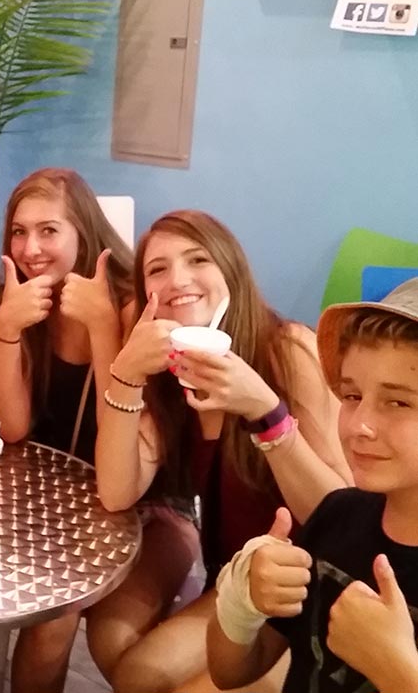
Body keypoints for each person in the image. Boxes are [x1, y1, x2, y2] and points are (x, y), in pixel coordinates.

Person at [93, 209, 351, 693]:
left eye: (198, 259)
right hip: (239, 581)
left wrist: (265, 410)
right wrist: (125, 374)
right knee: (134, 675)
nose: (178, 279)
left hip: (312, 588)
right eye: (157, 269)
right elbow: (115, 491)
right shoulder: (168, 377)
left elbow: (344, 515)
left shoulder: (288, 351)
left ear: (231, 271)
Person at [208, 278, 418, 692]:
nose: (359, 426)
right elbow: (230, 673)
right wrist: (242, 604)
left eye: (398, 402)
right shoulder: (336, 517)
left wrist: (398, 673)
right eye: (352, 396)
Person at [0, 167, 139, 693]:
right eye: (19, 231)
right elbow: (11, 427)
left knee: (56, 611)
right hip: (47, 490)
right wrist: (7, 327)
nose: (30, 248)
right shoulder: (27, 299)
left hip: (129, 498)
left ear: (84, 232)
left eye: (49, 230)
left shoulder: (129, 305)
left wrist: (103, 327)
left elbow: (119, 435)